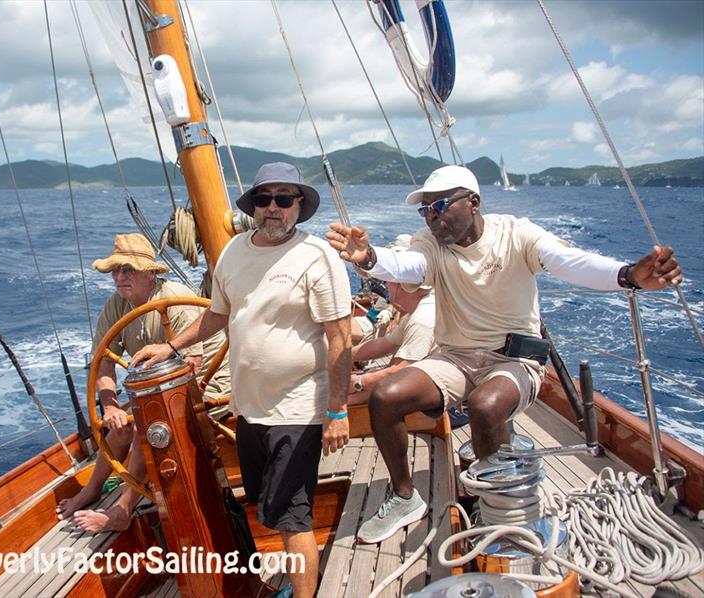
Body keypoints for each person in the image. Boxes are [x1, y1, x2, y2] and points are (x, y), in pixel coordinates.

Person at [326, 165, 682, 544]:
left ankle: (494, 507)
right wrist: (367, 258)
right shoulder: (430, 244)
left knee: (485, 405)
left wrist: (628, 275)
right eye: (426, 210)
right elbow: (408, 264)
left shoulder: (516, 234)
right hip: (456, 358)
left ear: (474, 203)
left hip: (514, 362)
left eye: (441, 205)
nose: (433, 216)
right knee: (386, 396)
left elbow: (569, 262)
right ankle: (404, 497)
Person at [131, 162, 352, 598]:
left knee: (292, 515)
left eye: (284, 199)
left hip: (299, 406)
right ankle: (290, 578)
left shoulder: (317, 257)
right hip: (248, 407)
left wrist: (338, 410)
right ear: (253, 206)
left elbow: (340, 339)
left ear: (298, 207)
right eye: (264, 199)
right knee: (265, 506)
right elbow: (218, 314)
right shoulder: (233, 251)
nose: (274, 208)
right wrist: (171, 348)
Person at [56, 232, 230, 533]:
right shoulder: (116, 305)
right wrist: (110, 407)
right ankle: (93, 488)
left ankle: (122, 509)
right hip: (157, 389)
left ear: (150, 273)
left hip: (209, 387)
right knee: (120, 426)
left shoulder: (174, 300)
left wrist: (143, 408)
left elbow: (192, 365)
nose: (120, 277)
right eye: (116, 271)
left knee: (143, 425)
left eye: (128, 270)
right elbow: (105, 360)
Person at [351, 236, 436, 396]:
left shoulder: (423, 318)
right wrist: (341, 358)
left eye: (389, 281)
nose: (386, 285)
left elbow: (402, 371)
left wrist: (358, 382)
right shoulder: (416, 313)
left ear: (402, 284)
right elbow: (383, 345)